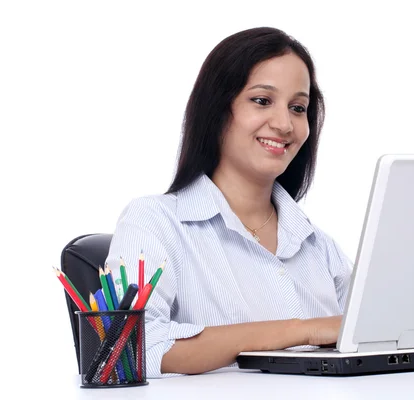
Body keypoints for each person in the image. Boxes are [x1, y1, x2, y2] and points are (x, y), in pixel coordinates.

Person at [105, 26, 353, 377]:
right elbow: (130, 349)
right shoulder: (153, 222)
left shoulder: (320, 247)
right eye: (262, 100)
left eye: (298, 108)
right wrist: (303, 329)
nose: (284, 124)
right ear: (217, 109)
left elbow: (370, 336)